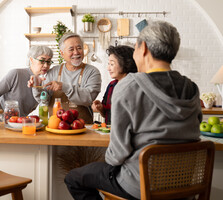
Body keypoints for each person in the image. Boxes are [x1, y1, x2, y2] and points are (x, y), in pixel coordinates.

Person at [64, 21, 202, 200]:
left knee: (74, 178)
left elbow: (116, 155)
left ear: (142, 48)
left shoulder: (129, 86)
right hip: (184, 185)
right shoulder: (191, 87)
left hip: (140, 185)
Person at [29, 33, 101, 123]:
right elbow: (44, 100)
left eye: (79, 48)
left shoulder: (92, 72)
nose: (76, 52)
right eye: (71, 49)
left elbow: (89, 98)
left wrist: (64, 87)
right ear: (62, 53)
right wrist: (37, 87)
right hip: (55, 127)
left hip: (82, 128)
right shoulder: (53, 72)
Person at [0, 46, 53, 120]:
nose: (46, 65)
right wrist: (2, 117)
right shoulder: (16, 74)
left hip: (19, 124)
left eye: (48, 62)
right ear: (31, 60)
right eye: (42, 61)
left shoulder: (45, 82)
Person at [92, 45, 137, 125]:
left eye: (112, 64)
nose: (108, 68)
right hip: (111, 133)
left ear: (125, 63)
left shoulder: (135, 86)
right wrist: (100, 108)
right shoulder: (111, 85)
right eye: (108, 64)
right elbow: (106, 115)